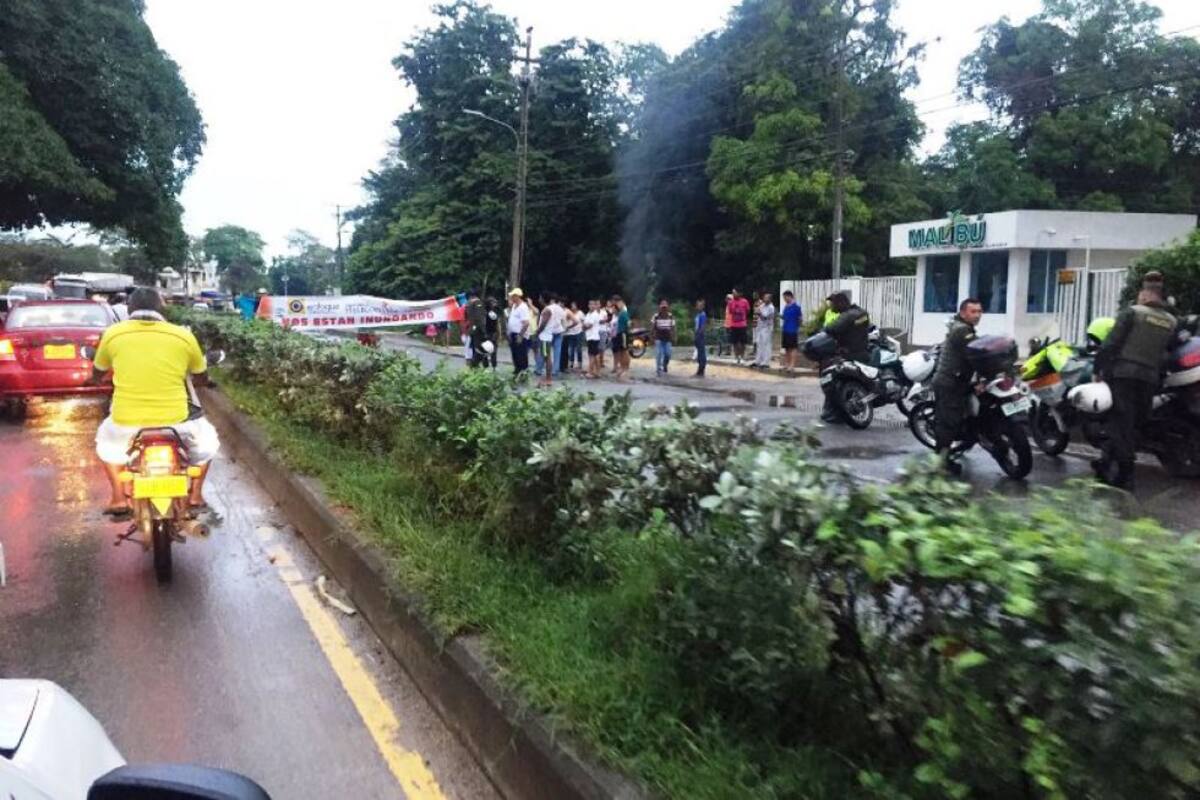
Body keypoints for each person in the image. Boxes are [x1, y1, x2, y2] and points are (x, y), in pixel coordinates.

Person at [91, 288, 220, 518]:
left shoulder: (113, 334)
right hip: (177, 421)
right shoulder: (183, 336)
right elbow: (201, 376)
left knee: (107, 446)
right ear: (162, 309)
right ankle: (195, 496)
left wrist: (98, 379)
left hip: (125, 422)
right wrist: (201, 381)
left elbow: (97, 374)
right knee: (207, 444)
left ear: (129, 309)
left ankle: (119, 498)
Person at [1093, 281, 1177, 488]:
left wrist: (1098, 369)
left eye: (1141, 294)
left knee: (1120, 423)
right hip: (1149, 378)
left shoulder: (1133, 313)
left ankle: (1125, 474)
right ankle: (1106, 461)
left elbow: (1111, 343)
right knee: (1135, 423)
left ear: (1146, 295)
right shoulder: (1171, 321)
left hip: (1123, 375)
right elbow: (1168, 351)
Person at [931, 297, 983, 473]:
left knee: (963, 418)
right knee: (948, 424)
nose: (977, 315)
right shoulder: (961, 331)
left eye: (979, 311)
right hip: (949, 383)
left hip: (960, 381)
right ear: (963, 313)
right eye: (973, 311)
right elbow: (977, 352)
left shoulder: (966, 328)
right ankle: (941, 464)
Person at [819, 291, 872, 424]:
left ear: (841, 302)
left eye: (833, 302)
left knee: (833, 380)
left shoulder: (848, 316)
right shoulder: (861, 313)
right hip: (861, 353)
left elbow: (831, 328)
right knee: (849, 383)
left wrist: (822, 331)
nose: (831, 305)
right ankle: (841, 411)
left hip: (849, 354)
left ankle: (834, 412)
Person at [506, 289, 531, 376]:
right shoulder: (514, 306)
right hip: (513, 333)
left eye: (513, 296)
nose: (511, 298)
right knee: (515, 354)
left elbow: (526, 323)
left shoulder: (523, 307)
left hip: (520, 334)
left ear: (517, 296)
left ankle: (523, 371)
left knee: (521, 354)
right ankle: (517, 370)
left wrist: (520, 335)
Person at [725, 289, 750, 364]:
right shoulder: (731, 302)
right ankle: (736, 357)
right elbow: (730, 312)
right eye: (733, 293)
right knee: (734, 342)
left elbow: (748, 311)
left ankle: (742, 357)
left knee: (743, 342)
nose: (734, 294)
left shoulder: (745, 301)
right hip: (734, 324)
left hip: (742, 324)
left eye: (735, 293)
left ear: (739, 293)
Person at [780, 290, 802, 375]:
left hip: (792, 330)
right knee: (786, 348)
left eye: (785, 297)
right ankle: (787, 364)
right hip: (785, 329)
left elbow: (800, 319)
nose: (784, 299)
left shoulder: (796, 307)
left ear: (789, 296)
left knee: (793, 348)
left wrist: (797, 327)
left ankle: (792, 365)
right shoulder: (786, 307)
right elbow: (785, 317)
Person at [653, 299, 676, 375]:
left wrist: (674, 336)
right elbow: (653, 327)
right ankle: (658, 369)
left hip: (667, 338)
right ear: (660, 308)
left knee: (668, 354)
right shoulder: (656, 316)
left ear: (667, 308)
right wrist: (652, 336)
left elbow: (673, 327)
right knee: (658, 354)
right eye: (662, 307)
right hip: (658, 337)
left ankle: (665, 365)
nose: (664, 309)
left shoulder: (671, 316)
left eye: (665, 307)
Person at [753, 292, 775, 369]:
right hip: (760, 327)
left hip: (767, 328)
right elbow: (757, 311)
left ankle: (766, 362)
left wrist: (759, 313)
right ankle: (758, 361)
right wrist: (757, 312)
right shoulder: (762, 305)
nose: (764, 299)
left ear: (770, 299)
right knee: (759, 344)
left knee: (766, 345)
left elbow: (765, 318)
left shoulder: (771, 307)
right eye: (764, 297)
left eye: (766, 298)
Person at [612, 295, 631, 381]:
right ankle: (622, 368)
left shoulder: (624, 312)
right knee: (621, 351)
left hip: (623, 333)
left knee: (624, 351)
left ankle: (626, 369)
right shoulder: (620, 312)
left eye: (617, 303)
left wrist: (626, 329)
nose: (617, 305)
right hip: (619, 333)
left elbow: (628, 322)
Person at [583, 299, 603, 379]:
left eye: (593, 304)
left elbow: (589, 325)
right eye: (590, 304)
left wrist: (585, 326)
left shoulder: (595, 315)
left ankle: (592, 372)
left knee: (594, 355)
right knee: (593, 354)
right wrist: (585, 326)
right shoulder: (588, 314)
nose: (591, 306)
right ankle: (595, 371)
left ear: (595, 306)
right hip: (589, 337)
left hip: (594, 337)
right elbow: (584, 325)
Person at [564, 300, 584, 373]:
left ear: (577, 306)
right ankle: (571, 363)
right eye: (572, 305)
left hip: (579, 332)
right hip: (571, 333)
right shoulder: (569, 313)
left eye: (574, 305)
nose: (572, 307)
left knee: (579, 349)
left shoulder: (580, 313)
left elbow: (583, 321)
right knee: (571, 349)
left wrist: (582, 329)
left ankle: (579, 364)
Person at [484, 297, 501, 370]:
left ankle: (486, 367)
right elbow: (497, 325)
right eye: (493, 302)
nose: (495, 304)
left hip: (486, 334)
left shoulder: (483, 312)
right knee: (493, 351)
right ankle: (494, 366)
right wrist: (499, 334)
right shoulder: (492, 313)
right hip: (492, 334)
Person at [693, 298, 708, 378]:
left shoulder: (702, 315)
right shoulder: (698, 315)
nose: (699, 307)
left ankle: (701, 370)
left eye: (701, 306)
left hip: (700, 335)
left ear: (703, 306)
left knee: (701, 353)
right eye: (698, 305)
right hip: (697, 334)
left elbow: (702, 326)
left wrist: (698, 335)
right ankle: (700, 371)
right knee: (699, 353)